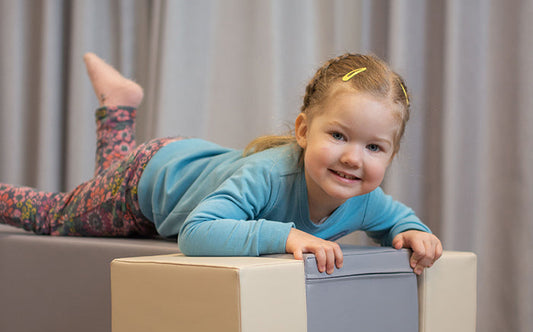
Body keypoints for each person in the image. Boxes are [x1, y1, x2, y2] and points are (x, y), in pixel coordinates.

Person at [0, 52, 442, 275]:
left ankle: (117, 105)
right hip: (151, 179)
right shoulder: (271, 174)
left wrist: (415, 234)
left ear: (391, 156)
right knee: (61, 216)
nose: (353, 157)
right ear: (304, 130)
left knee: (107, 173)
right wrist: (284, 235)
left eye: (374, 148)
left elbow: (398, 220)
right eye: (339, 135)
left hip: (183, 167)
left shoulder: (367, 200)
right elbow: (196, 232)